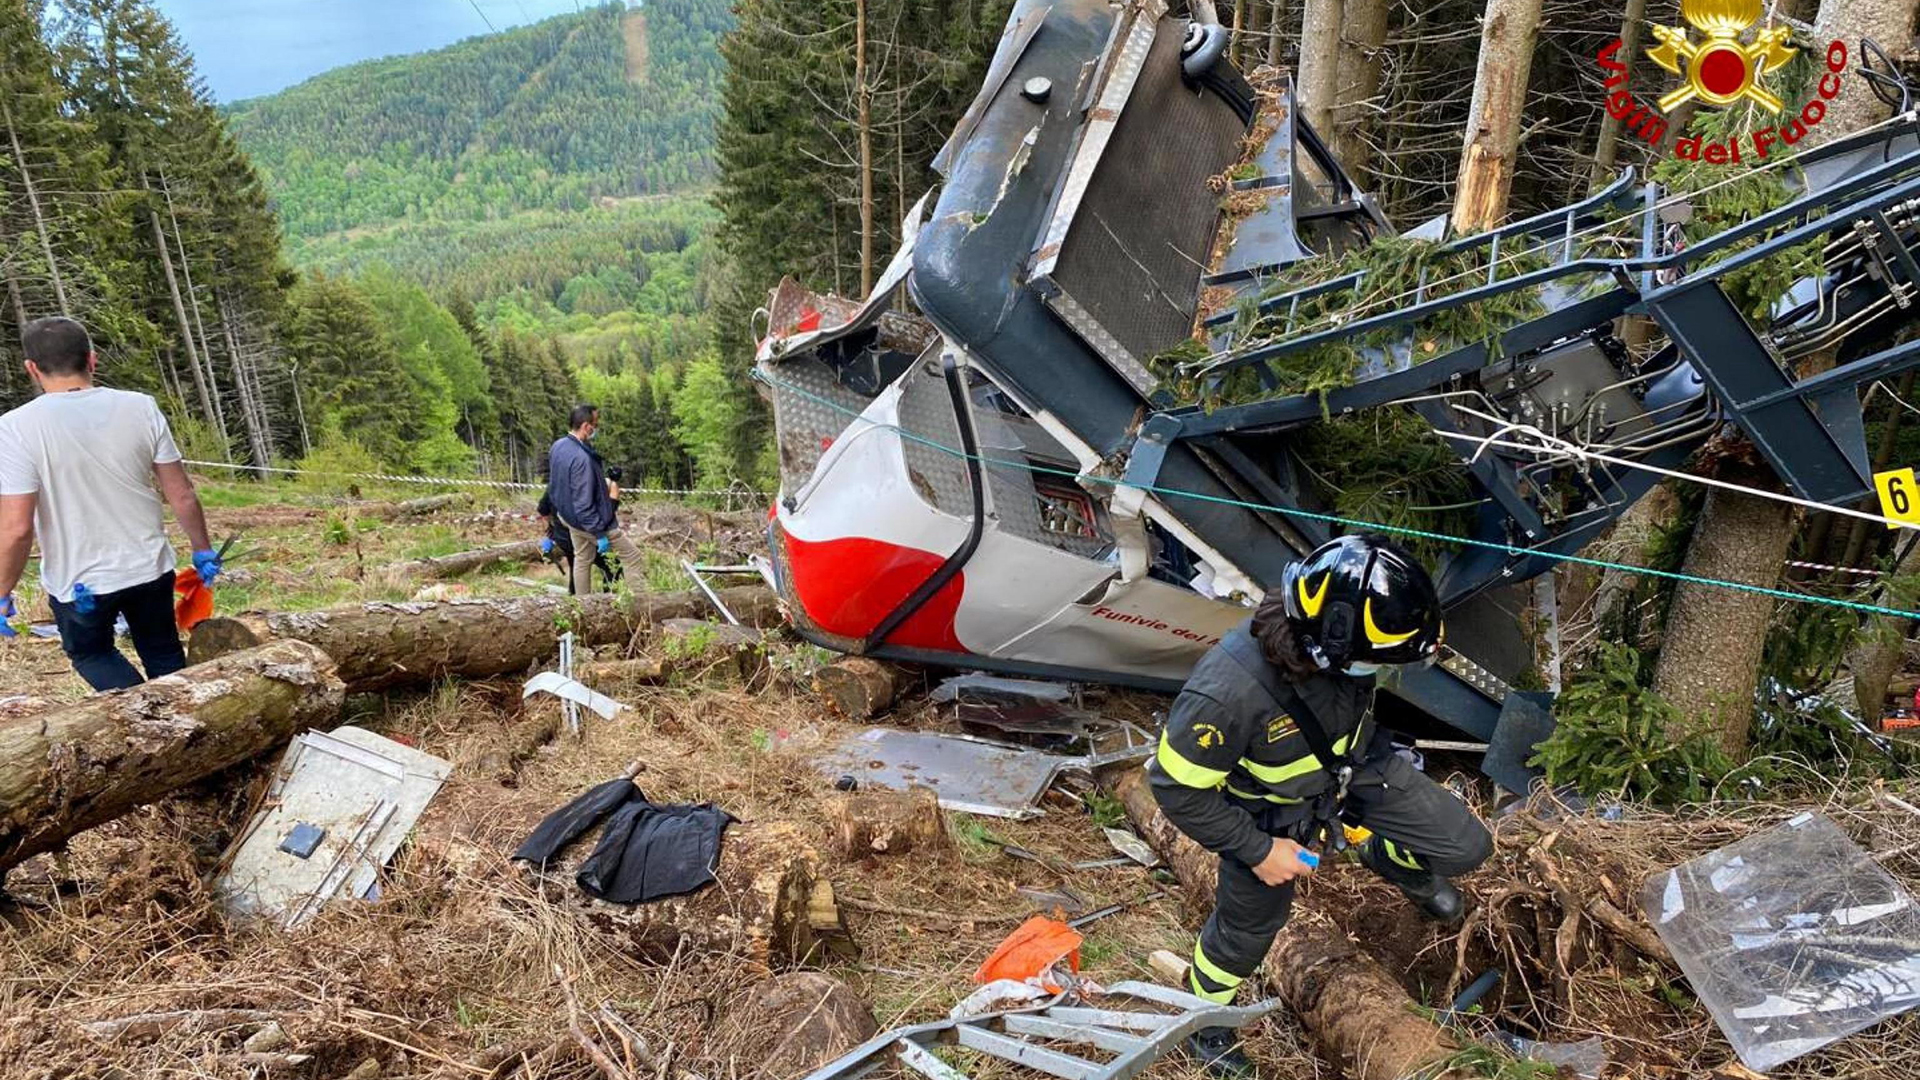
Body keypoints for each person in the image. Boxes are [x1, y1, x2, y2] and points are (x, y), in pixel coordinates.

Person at [1149, 534, 1492, 1076]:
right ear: (1328, 645)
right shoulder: (1226, 695)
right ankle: (1204, 1023)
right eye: (1372, 662)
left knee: (1465, 845)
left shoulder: (1340, 645)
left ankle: (1386, 856)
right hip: (1268, 815)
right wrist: (1258, 850)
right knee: (1245, 935)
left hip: (1353, 769)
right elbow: (1174, 788)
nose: (1377, 673)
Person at [0, 317, 224, 690]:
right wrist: (202, 549)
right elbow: (182, 493)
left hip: (79, 581)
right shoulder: (141, 407)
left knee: (93, 654)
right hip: (149, 566)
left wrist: (2, 590)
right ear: (92, 359)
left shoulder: (15, 428)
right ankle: (178, 711)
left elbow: (17, 528)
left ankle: (145, 712)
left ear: (32, 368)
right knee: (163, 652)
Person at [545, 403, 641, 595]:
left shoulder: (558, 446)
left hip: (569, 517)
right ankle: (642, 603)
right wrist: (599, 533)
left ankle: (583, 605)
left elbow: (558, 485)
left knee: (582, 559)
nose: (596, 428)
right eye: (595, 425)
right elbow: (584, 503)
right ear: (586, 426)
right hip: (588, 521)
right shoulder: (582, 459)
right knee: (633, 557)